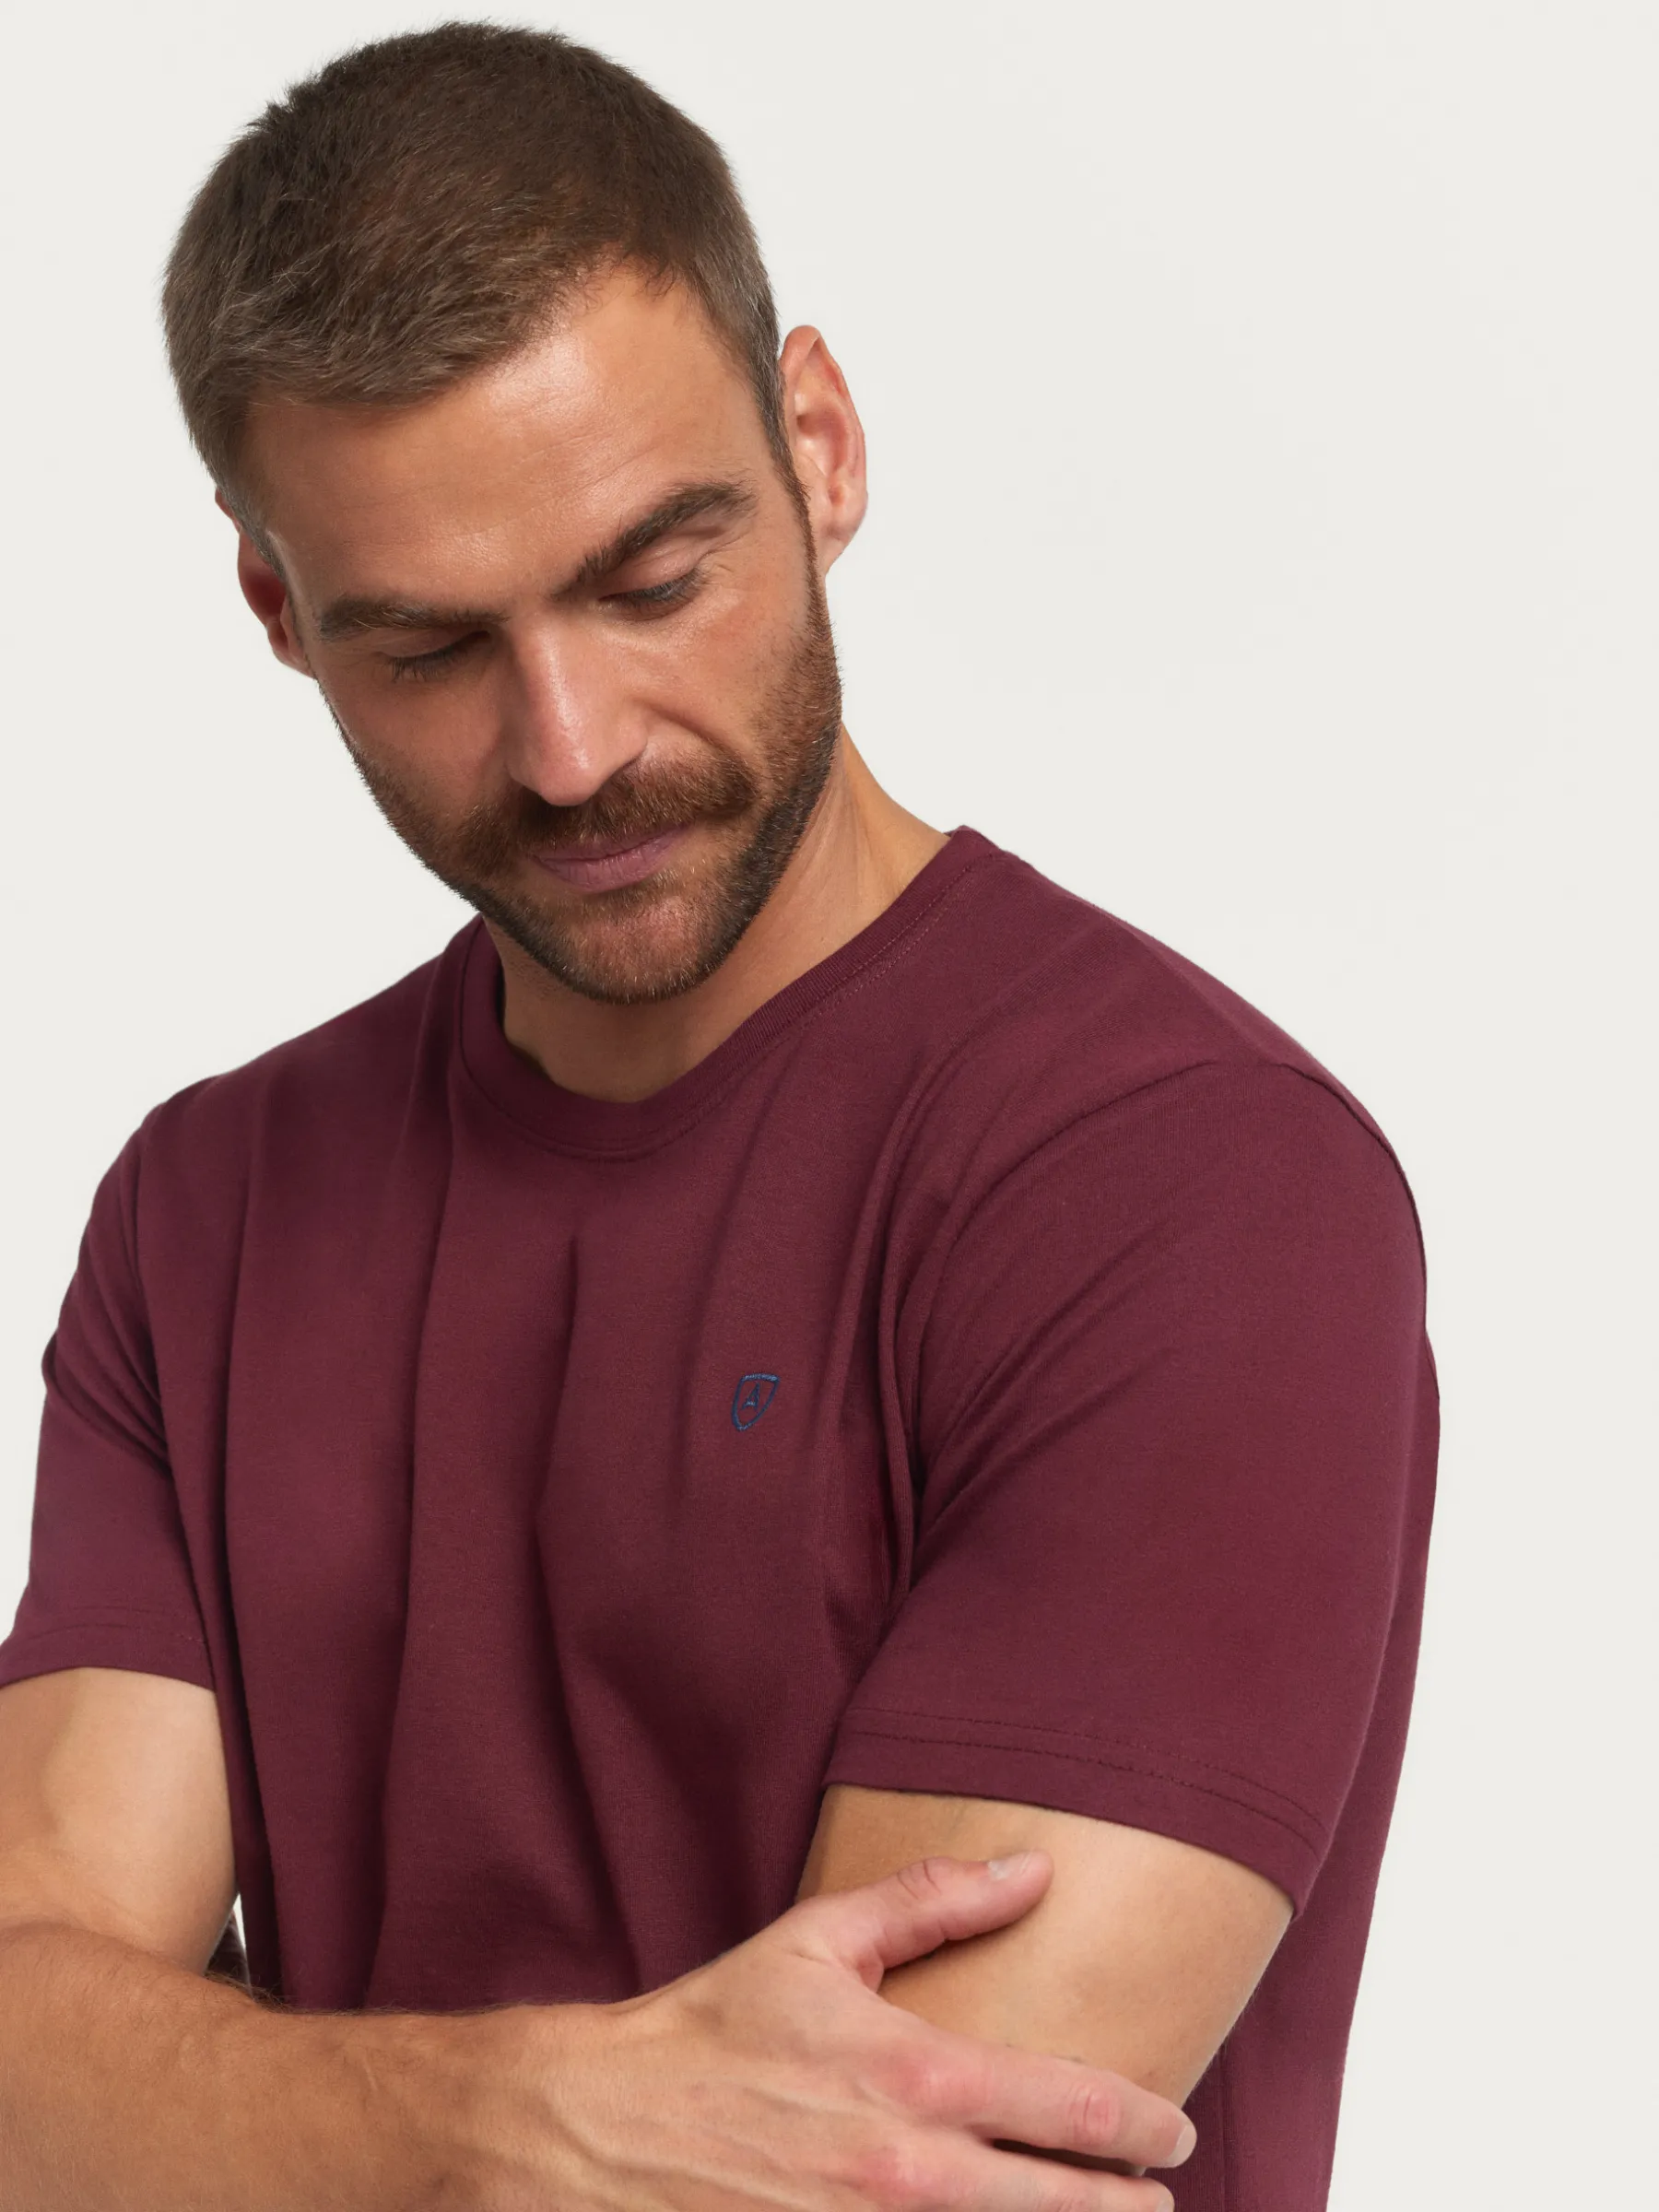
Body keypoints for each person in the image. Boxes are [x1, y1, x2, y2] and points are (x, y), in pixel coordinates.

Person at [0, 23, 1438, 2211]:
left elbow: (902, 2169)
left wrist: (222, 2118)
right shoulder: (210, 1210)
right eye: (429, 649)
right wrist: (526, 2123)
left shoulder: (1184, 1185)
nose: (573, 749)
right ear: (280, 613)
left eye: (652, 582)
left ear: (821, 448)